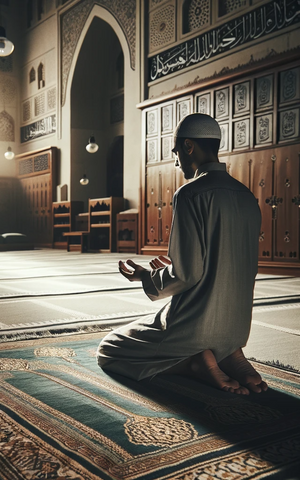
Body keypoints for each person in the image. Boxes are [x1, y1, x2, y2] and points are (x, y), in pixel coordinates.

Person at [97, 113, 268, 395]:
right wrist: (176, 265)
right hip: (236, 326)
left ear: (189, 147)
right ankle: (230, 354)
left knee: (110, 348)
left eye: (176, 152)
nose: (176, 161)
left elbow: (188, 273)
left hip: (196, 326)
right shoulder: (246, 195)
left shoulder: (190, 194)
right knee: (217, 335)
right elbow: (232, 264)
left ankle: (195, 362)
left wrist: (146, 276)